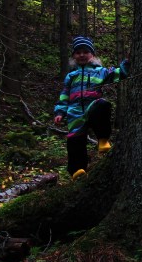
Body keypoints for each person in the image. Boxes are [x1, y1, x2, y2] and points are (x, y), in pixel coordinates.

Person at [54, 36, 129, 180]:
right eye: (78, 52)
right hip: (75, 111)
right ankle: (77, 171)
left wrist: (127, 63)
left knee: (102, 105)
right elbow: (64, 96)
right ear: (74, 56)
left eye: (85, 52)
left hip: (92, 106)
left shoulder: (100, 71)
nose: (82, 55)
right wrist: (60, 112)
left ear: (92, 55)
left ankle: (103, 140)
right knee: (75, 141)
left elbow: (118, 73)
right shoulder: (71, 76)